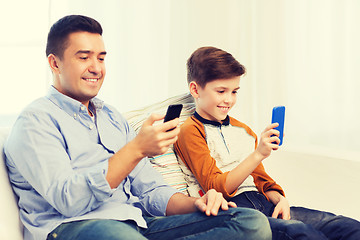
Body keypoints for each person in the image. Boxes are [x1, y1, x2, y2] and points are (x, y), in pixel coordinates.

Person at [3, 16, 272, 240]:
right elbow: (68, 200)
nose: (96, 68)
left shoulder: (111, 117)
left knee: (249, 222)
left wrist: (196, 204)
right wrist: (136, 149)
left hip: (137, 224)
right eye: (84, 57)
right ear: (54, 63)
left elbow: (150, 191)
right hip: (74, 227)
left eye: (101, 58)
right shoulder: (35, 121)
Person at [174, 46, 360, 240]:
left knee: (349, 227)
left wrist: (280, 199)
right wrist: (258, 154)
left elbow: (261, 180)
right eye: (221, 91)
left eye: (234, 91)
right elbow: (216, 186)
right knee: (303, 234)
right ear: (195, 89)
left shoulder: (243, 130)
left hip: (264, 203)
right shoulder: (190, 131)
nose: (229, 100)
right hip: (237, 212)